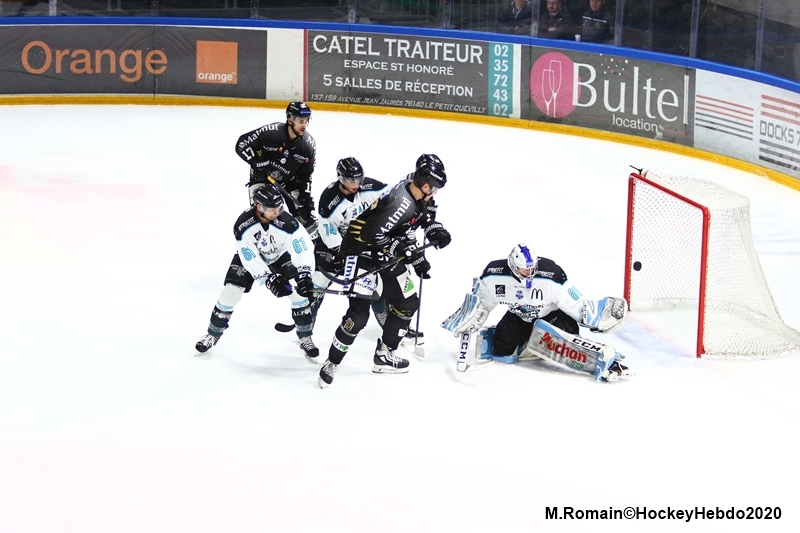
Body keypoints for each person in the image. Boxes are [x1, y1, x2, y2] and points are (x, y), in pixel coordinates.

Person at [317, 155, 452, 388]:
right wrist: (399, 248)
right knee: (358, 317)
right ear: (424, 184)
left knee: (408, 302)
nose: (435, 192)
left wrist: (433, 230)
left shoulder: (418, 193)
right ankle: (332, 362)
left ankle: (384, 354)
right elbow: (370, 234)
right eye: (434, 187)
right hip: (360, 252)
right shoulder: (401, 203)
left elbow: (423, 217)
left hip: (384, 251)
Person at [441, 243, 633, 382]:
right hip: (519, 317)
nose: (530, 272)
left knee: (554, 337)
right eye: (525, 270)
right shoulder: (494, 275)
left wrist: (595, 317)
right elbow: (482, 302)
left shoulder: (551, 275)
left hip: (553, 318)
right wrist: (471, 317)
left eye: (532, 268)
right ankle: (530, 343)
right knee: (500, 349)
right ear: (513, 267)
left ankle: (596, 357)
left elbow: (574, 303)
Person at [194, 183, 324, 360]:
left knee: (298, 294)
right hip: (253, 259)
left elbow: (303, 248)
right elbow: (249, 257)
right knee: (230, 292)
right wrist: (268, 278)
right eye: (272, 209)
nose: (277, 211)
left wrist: (304, 273)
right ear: (259, 207)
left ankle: (305, 338)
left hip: (279, 256)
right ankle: (212, 334)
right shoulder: (243, 225)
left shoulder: (288, 223)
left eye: (279, 207)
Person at [234, 102, 319, 242]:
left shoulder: (307, 147)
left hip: (289, 182)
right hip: (261, 179)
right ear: (290, 119)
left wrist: (305, 197)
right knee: (264, 214)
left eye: (306, 121)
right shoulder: (271, 133)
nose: (304, 125)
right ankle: (261, 246)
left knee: (305, 217)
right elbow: (242, 144)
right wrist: (256, 162)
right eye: (300, 121)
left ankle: (309, 248)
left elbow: (306, 176)